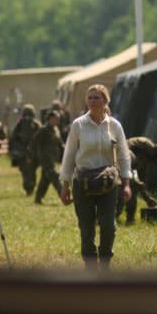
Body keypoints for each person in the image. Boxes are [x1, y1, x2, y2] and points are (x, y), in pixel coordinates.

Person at [60, 84, 131, 271]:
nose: (92, 101)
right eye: (90, 97)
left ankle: (105, 261)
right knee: (86, 228)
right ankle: (90, 266)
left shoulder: (114, 126)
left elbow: (123, 155)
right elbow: (68, 156)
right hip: (82, 183)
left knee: (109, 225)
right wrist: (65, 185)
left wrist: (126, 184)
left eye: (97, 97)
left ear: (105, 101)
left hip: (107, 183)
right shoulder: (78, 125)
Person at [116, 137, 157, 225]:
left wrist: (146, 197)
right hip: (123, 162)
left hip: (129, 164)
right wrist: (147, 198)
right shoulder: (146, 145)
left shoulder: (146, 160)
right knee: (125, 190)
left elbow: (139, 182)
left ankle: (129, 218)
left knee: (133, 190)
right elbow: (136, 181)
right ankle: (113, 217)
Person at [33, 110, 64, 204]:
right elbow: (35, 141)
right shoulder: (44, 129)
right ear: (50, 119)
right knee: (55, 176)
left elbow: (60, 143)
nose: (57, 120)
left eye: (58, 119)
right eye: (55, 119)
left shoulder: (56, 129)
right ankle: (63, 195)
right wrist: (38, 154)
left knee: (45, 179)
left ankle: (38, 198)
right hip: (45, 158)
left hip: (53, 158)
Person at [9, 104, 41, 195]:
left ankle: (28, 188)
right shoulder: (36, 123)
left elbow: (13, 137)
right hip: (33, 153)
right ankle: (32, 186)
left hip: (22, 152)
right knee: (33, 171)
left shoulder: (19, 124)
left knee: (25, 172)